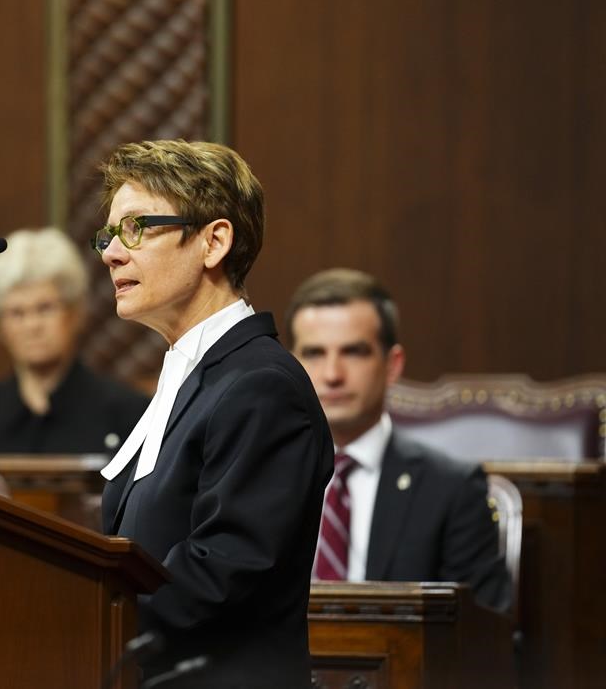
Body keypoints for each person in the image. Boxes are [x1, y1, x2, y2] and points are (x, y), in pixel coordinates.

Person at [94, 140, 333, 688]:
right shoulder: (195, 376)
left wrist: (84, 619)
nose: (111, 253)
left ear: (213, 241)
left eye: (135, 229)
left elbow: (220, 570)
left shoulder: (261, 387)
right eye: (108, 235)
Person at [285, 268, 511, 612]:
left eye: (354, 352)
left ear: (392, 365)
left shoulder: (452, 490)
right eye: (314, 353)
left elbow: (477, 641)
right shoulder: (257, 475)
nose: (332, 374)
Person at [0, 227, 148, 455]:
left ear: (75, 314)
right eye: (17, 313)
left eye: (45, 308)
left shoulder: (130, 415)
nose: (32, 325)